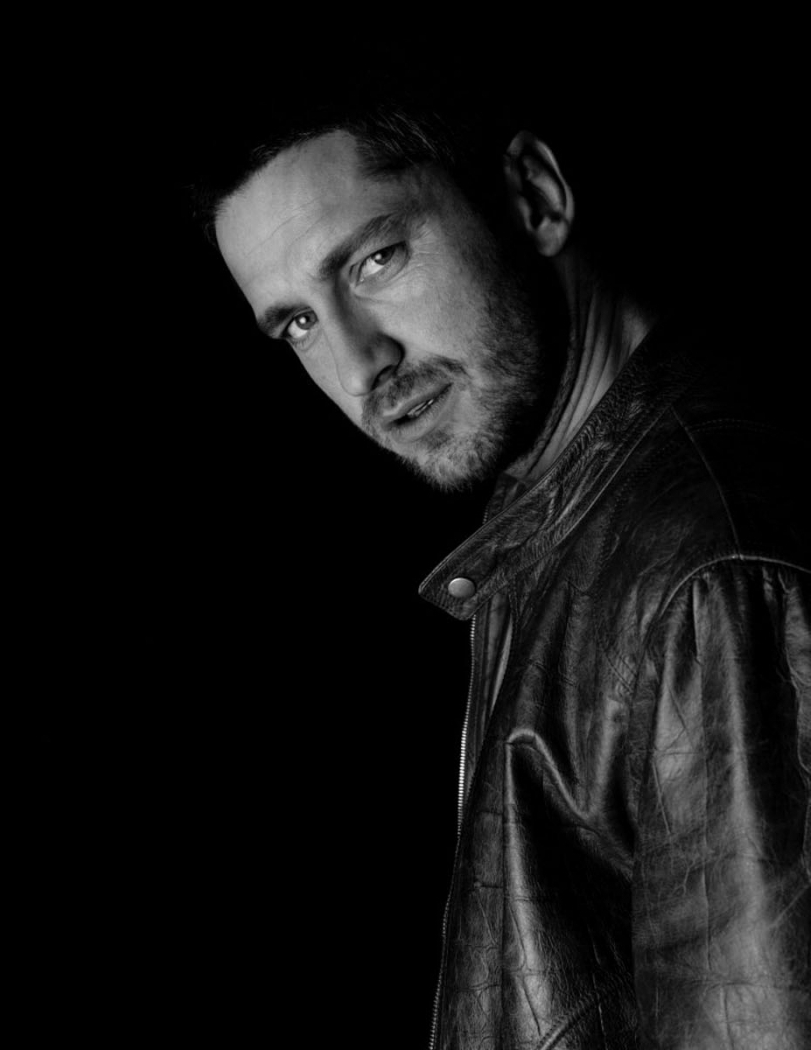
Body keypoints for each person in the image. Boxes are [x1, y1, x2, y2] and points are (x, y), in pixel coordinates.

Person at [196, 85, 811, 1048]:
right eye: (299, 324)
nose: (358, 366)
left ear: (533, 196)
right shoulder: (567, 517)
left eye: (374, 260)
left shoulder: (709, 571)